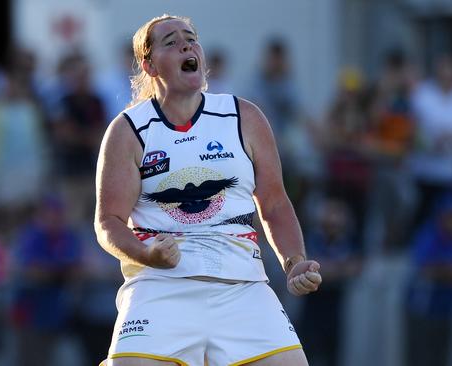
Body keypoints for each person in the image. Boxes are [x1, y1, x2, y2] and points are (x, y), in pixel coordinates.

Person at [94, 14, 322, 366]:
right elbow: (108, 223)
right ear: (149, 64)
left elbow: (274, 204)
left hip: (243, 289)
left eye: (191, 38)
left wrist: (293, 261)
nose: (187, 45)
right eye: (170, 42)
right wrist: (147, 255)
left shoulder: (244, 116)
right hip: (160, 288)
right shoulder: (128, 130)